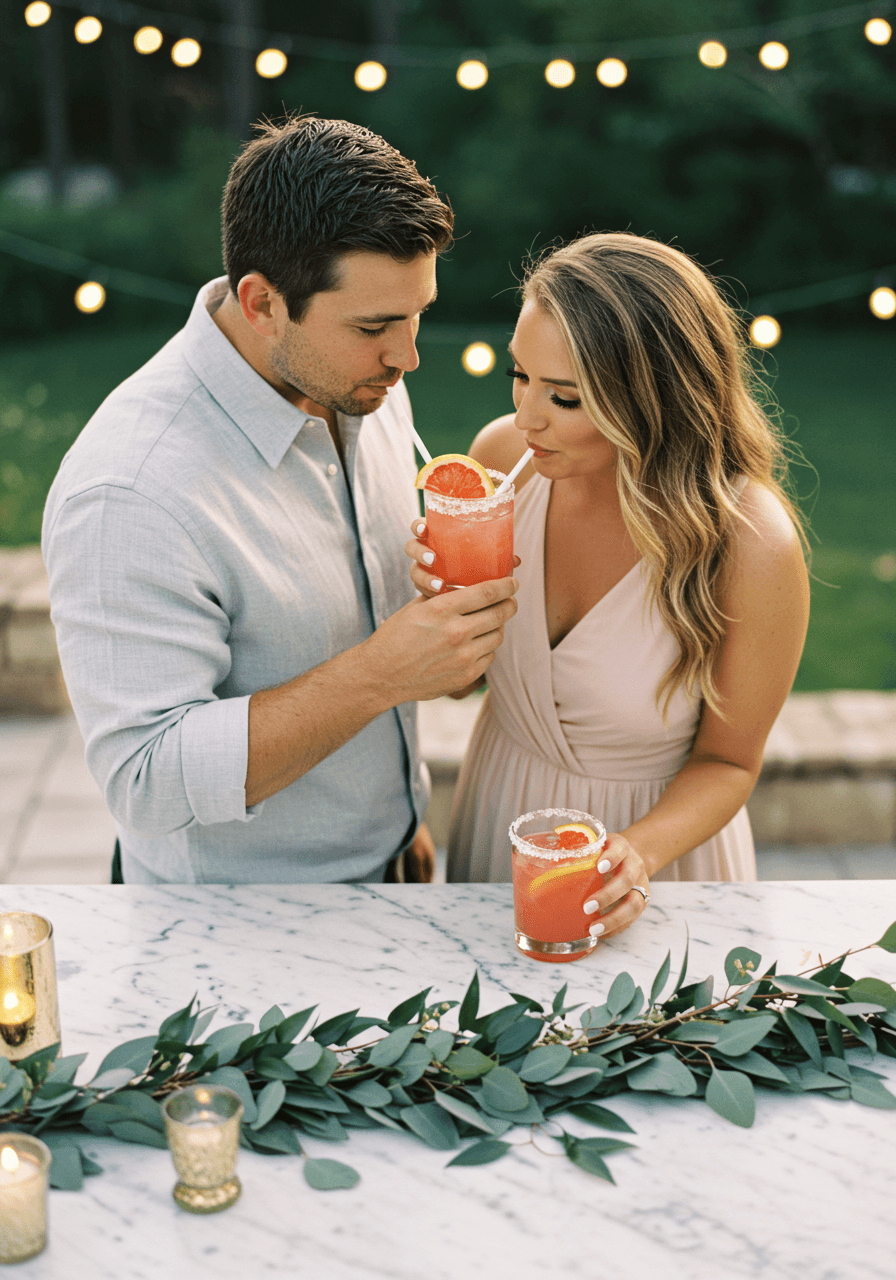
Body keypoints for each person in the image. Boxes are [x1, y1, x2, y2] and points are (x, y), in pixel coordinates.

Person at [42, 115, 518, 885]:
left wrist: (399, 824)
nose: (409, 356)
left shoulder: (360, 382)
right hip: (238, 935)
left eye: (417, 314)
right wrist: (380, 675)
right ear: (262, 302)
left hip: (393, 870)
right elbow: (147, 780)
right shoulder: (130, 491)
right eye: (375, 326)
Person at [407, 232, 810, 939]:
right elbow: (459, 686)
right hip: (497, 816)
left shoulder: (750, 542)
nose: (526, 415)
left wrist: (634, 855)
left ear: (653, 396)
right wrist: (447, 622)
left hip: (657, 868)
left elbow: (729, 762)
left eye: (563, 396)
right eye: (518, 376)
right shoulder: (503, 463)